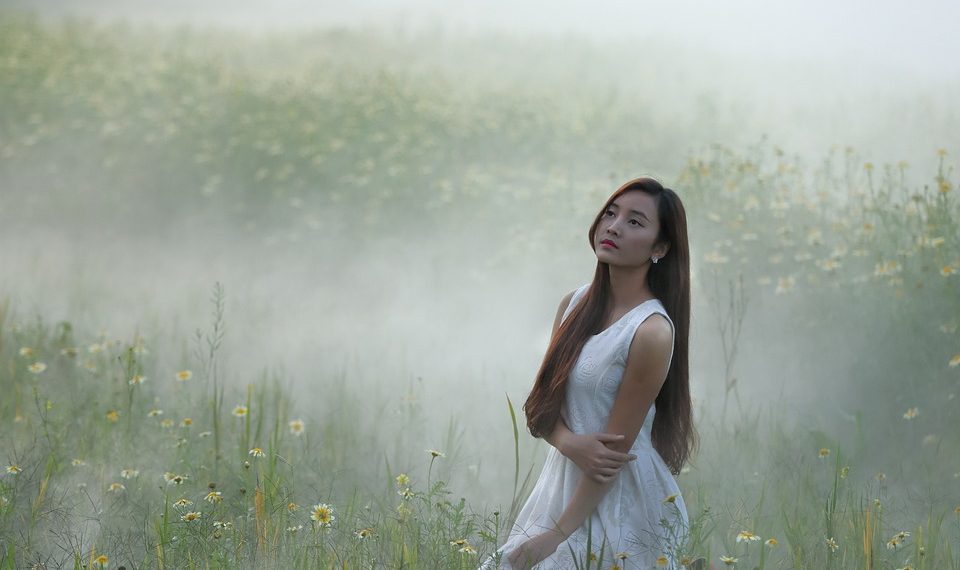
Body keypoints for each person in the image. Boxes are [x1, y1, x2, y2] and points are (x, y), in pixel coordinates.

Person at [481, 176, 698, 569]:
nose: (613, 226)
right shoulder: (574, 304)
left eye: (635, 222)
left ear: (660, 248)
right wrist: (569, 443)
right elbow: (540, 409)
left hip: (619, 502)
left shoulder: (650, 331)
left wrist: (556, 536)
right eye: (611, 213)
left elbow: (610, 457)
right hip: (561, 486)